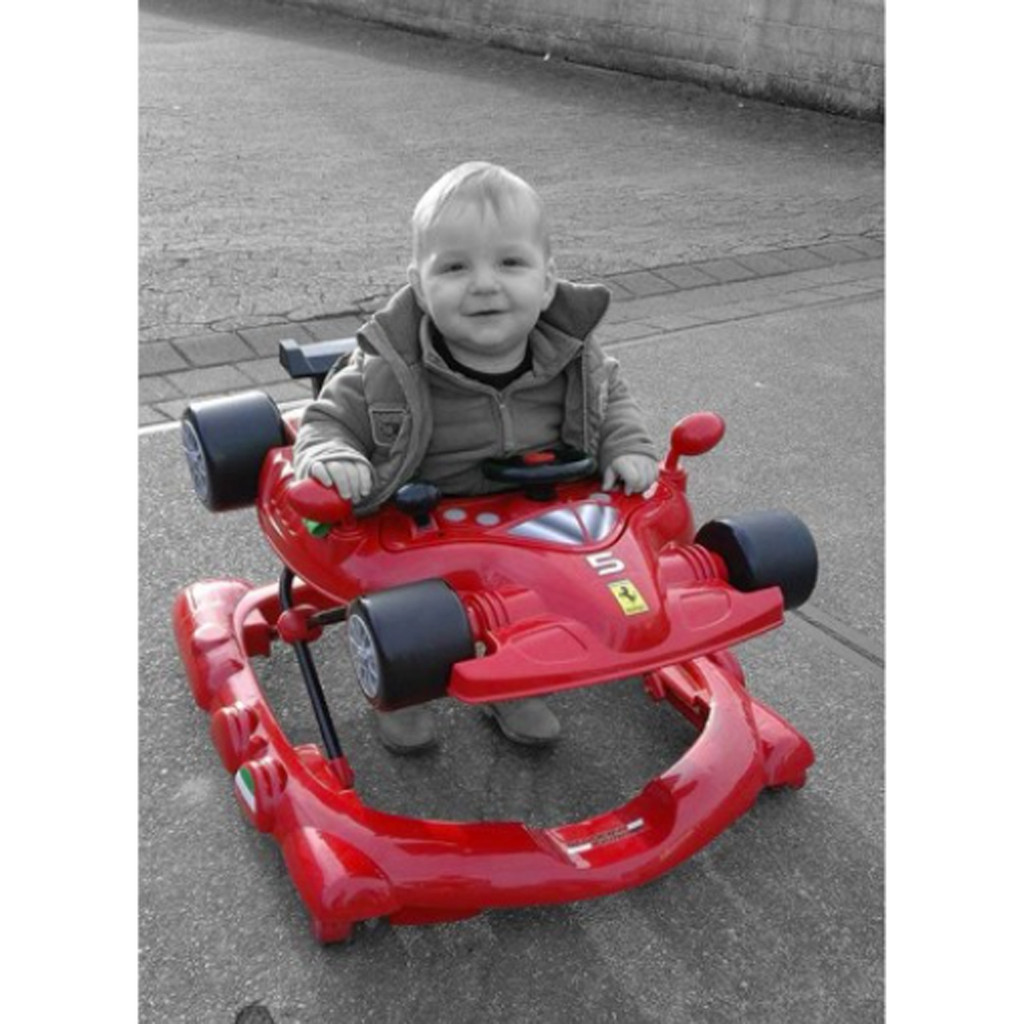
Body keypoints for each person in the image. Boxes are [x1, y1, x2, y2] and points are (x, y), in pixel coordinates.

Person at [293, 161, 659, 753]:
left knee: (541, 598)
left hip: (535, 518)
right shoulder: (385, 373)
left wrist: (628, 444)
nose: (485, 284)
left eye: (510, 263)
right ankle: (402, 695)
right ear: (420, 287)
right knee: (409, 617)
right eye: (455, 267)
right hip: (423, 526)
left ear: (547, 281)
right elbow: (324, 420)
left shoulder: (574, 358)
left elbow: (610, 398)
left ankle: (517, 684)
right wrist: (333, 453)